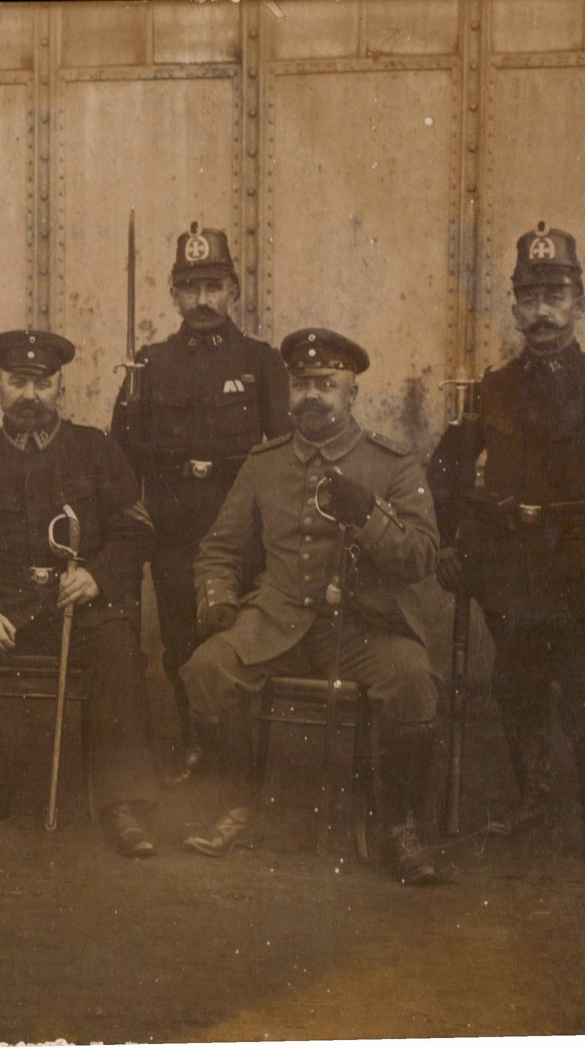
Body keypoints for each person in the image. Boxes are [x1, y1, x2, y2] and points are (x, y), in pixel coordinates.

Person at [427, 223, 585, 868]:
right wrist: (450, 543)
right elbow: (444, 471)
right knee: (516, 682)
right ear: (514, 310)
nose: (542, 312)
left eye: (555, 296)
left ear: (581, 305)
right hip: (512, 567)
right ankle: (533, 797)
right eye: (528, 299)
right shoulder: (492, 391)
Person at [181, 328, 444, 885]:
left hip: (363, 628)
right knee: (208, 668)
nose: (312, 397)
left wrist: (369, 516)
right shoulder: (263, 463)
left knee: (413, 679)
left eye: (327, 384)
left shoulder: (393, 464)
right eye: (301, 385)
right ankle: (238, 804)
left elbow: (422, 556)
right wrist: (219, 597)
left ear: (352, 393)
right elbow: (219, 548)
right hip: (275, 622)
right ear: (287, 393)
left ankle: (399, 828)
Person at [0, 329, 160, 857]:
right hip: (5, 606)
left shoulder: (95, 449)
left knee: (119, 649)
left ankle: (122, 805)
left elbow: (136, 531)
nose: (29, 395)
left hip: (80, 605)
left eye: (41, 384)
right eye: (17, 382)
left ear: (59, 392)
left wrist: (96, 575)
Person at [110, 222, 290, 782]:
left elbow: (282, 449)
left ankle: (238, 748)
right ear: (173, 294)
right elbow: (119, 457)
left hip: (237, 524)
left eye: (215, 285)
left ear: (234, 290)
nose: (204, 300)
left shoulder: (261, 362)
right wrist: (130, 510)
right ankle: (194, 740)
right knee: (179, 638)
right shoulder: (149, 365)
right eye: (191, 288)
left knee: (237, 635)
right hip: (174, 521)